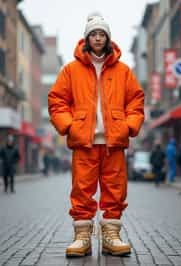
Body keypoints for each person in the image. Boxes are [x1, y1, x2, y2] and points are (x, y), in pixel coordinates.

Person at [48, 13, 144, 257]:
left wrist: (129, 126)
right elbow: (57, 100)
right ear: (87, 38)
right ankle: (82, 237)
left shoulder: (123, 71)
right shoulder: (71, 70)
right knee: (82, 189)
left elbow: (135, 100)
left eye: (102, 34)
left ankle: (112, 235)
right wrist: (69, 126)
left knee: (115, 189)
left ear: (108, 38)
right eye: (94, 34)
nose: (98, 38)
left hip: (114, 142)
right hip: (85, 142)